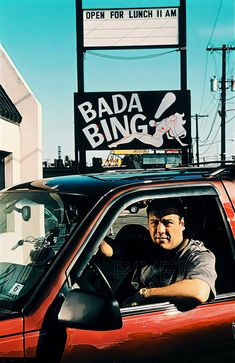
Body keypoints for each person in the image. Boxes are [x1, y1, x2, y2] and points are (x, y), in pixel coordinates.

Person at [123, 198, 217, 307]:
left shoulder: (197, 255)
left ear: (181, 224)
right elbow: (111, 250)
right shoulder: (147, 246)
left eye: (167, 223)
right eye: (154, 222)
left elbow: (199, 291)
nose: (160, 230)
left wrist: (146, 294)